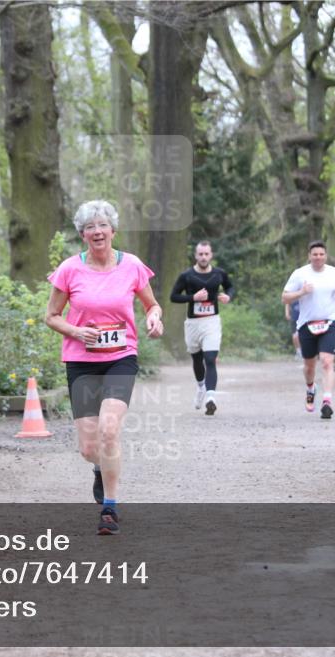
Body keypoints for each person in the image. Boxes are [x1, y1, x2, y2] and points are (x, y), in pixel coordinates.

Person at [45, 200, 164, 535]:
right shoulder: (70, 269)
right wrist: (76, 331)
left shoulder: (132, 266)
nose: (96, 232)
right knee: (89, 447)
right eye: (89, 227)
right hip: (81, 361)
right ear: (82, 235)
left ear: (113, 230)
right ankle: (99, 468)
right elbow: (51, 316)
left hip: (120, 357)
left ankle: (109, 509)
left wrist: (154, 319)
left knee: (109, 429)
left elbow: (151, 304)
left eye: (102, 225)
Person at [281, 241, 335, 419]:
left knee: (327, 361)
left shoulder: (334, 272)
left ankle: (327, 401)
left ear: (325, 256)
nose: (318, 257)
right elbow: (285, 298)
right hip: (306, 324)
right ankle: (311, 388)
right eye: (315, 254)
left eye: (321, 254)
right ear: (309, 256)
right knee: (309, 366)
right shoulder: (300, 274)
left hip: (330, 322)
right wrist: (301, 292)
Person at [170, 241, 235, 416]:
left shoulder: (219, 273)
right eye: (200, 254)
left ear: (211, 255)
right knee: (197, 359)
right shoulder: (187, 276)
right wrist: (193, 297)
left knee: (210, 358)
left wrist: (228, 296)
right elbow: (174, 297)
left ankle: (211, 398)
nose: (204, 257)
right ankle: (201, 387)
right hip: (192, 323)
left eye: (206, 254)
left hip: (212, 321)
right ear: (196, 256)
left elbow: (230, 286)